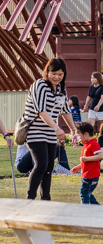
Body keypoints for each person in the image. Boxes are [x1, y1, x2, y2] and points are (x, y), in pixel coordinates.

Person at [24, 58, 75, 200]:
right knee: (41, 164)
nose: (57, 77)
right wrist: (57, 128)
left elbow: (65, 110)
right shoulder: (39, 85)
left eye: (60, 74)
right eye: (54, 73)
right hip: (35, 130)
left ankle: (46, 198)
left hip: (50, 133)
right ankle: (30, 198)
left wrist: (73, 129)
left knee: (49, 167)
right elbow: (41, 110)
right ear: (47, 72)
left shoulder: (61, 88)